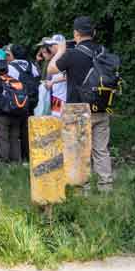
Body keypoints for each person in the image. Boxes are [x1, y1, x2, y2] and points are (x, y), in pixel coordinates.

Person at [46, 16, 112, 189]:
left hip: (77, 109)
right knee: (101, 149)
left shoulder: (72, 54)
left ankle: (82, 188)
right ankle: (106, 186)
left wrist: (60, 50)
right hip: (101, 106)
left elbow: (50, 69)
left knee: (77, 150)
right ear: (94, 33)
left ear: (75, 33)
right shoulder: (103, 51)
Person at [0, 45, 38, 163]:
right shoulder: (15, 80)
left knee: (2, 137)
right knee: (14, 137)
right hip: (17, 112)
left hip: (2, 114)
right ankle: (15, 161)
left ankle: (4, 161)